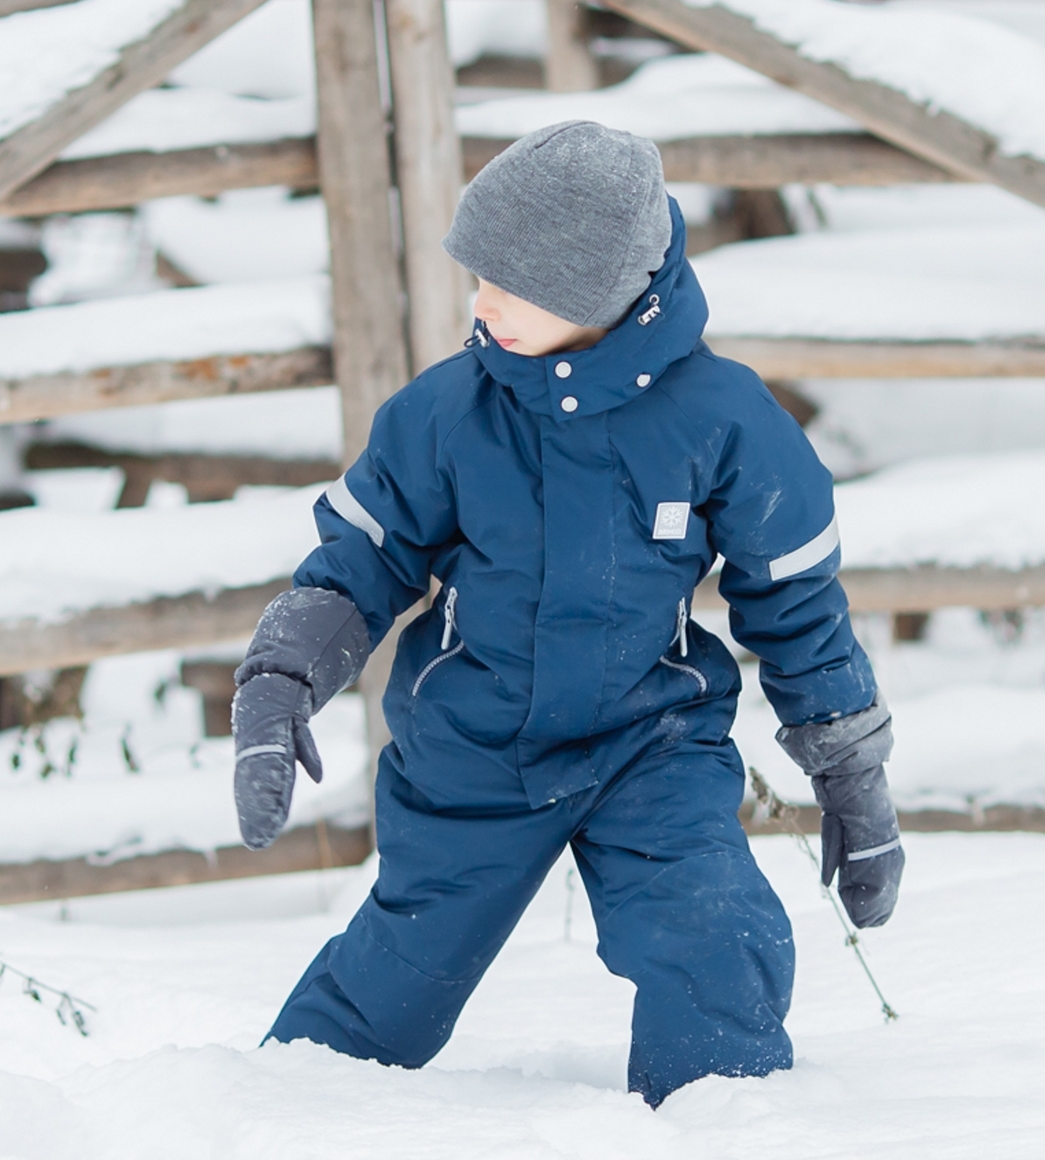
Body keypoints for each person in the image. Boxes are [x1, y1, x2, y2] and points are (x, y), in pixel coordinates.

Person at [232, 121, 903, 1108]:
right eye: (478, 273)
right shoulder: (444, 414)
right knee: (396, 980)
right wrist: (284, 671)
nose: (484, 300)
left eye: (520, 283)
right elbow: (365, 557)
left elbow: (794, 598)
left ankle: (730, 1153)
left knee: (715, 940)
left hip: (652, 743)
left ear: (608, 292)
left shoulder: (723, 421)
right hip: (475, 747)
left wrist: (851, 768)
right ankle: (277, 1115)